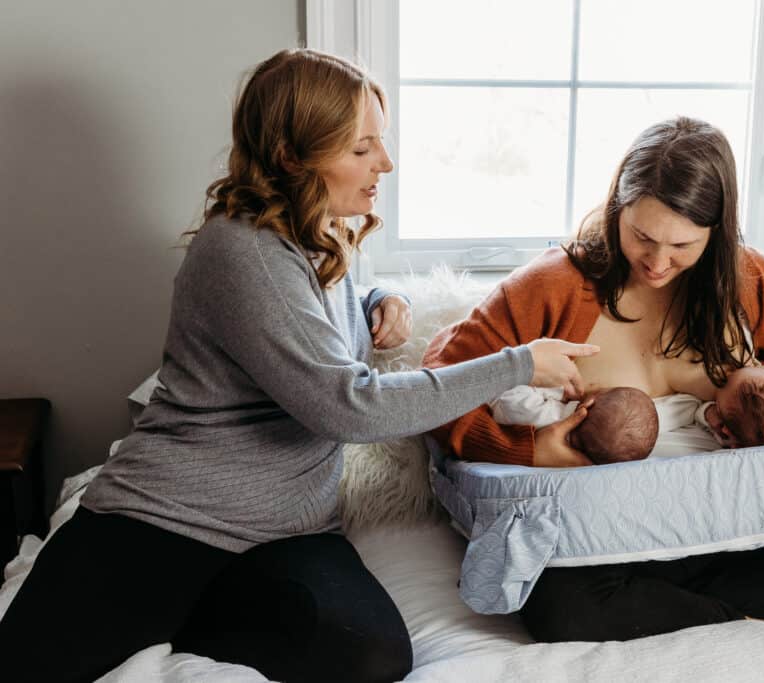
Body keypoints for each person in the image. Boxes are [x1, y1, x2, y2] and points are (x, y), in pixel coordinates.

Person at [0, 49, 598, 682]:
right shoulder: (241, 250)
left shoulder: (319, 232)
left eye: (380, 144)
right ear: (293, 157)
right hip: (167, 521)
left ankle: (189, 610)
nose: (384, 165)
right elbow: (347, 406)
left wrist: (377, 298)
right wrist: (516, 364)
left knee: (375, 655)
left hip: (290, 529)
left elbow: (305, 319)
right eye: (362, 149)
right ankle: (160, 602)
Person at [422, 116, 764, 642]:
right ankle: (737, 610)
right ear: (616, 210)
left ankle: (691, 607)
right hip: (608, 539)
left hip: (739, 525)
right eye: (642, 236)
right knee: (555, 603)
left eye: (682, 246)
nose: (656, 262)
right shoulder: (553, 286)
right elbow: (435, 388)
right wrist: (530, 448)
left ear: (715, 233)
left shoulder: (747, 281)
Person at [491, 385, 659, 464]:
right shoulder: (568, 464)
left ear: (587, 403)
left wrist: (558, 391)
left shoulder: (541, 413)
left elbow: (505, 401)